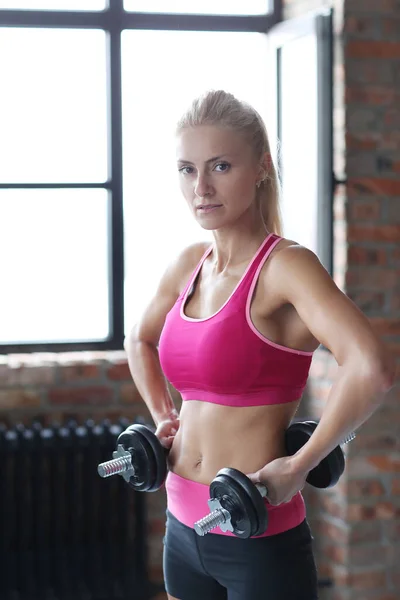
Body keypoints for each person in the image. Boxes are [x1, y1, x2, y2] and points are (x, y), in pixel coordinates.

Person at [124, 90, 395, 600]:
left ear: (262, 167)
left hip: (260, 538)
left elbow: (371, 366)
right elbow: (138, 338)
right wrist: (163, 414)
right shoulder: (188, 264)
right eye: (186, 169)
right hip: (181, 528)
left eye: (220, 166)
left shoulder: (285, 267)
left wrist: (301, 463)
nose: (200, 187)